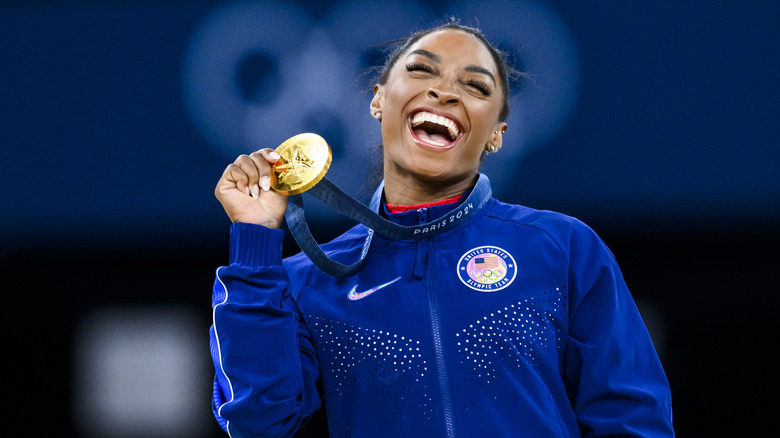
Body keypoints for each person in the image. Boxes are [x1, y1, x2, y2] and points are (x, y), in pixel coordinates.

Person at [210, 22, 674, 438]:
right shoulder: (309, 281)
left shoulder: (562, 248)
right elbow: (257, 422)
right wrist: (255, 242)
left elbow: (632, 419)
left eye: (474, 85)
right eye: (421, 71)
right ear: (378, 100)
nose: (444, 92)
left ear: (497, 133)